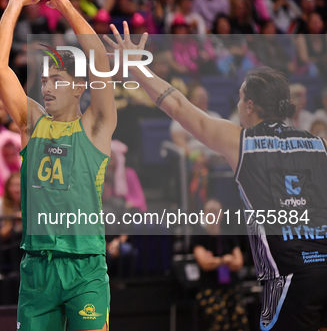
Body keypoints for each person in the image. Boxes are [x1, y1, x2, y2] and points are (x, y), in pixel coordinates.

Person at [103, 22, 327, 331]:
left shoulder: (243, 141)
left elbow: (180, 106)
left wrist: (137, 67)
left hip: (290, 276)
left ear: (250, 105)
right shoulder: (319, 143)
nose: (236, 104)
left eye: (239, 98)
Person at [0, 0, 116, 331]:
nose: (46, 87)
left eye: (57, 80)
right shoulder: (32, 123)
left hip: (85, 266)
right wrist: (15, 3)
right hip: (38, 267)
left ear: (78, 87)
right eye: (44, 80)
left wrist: (63, 4)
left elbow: (101, 64)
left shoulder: (96, 126)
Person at [192, 199, 249, 331]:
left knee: (240, 317)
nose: (213, 215)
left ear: (221, 214)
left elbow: (238, 262)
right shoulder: (199, 237)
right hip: (209, 287)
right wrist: (224, 260)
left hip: (231, 285)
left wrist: (215, 261)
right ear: (204, 214)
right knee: (220, 319)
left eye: (216, 211)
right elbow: (205, 264)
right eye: (210, 212)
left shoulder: (229, 235)